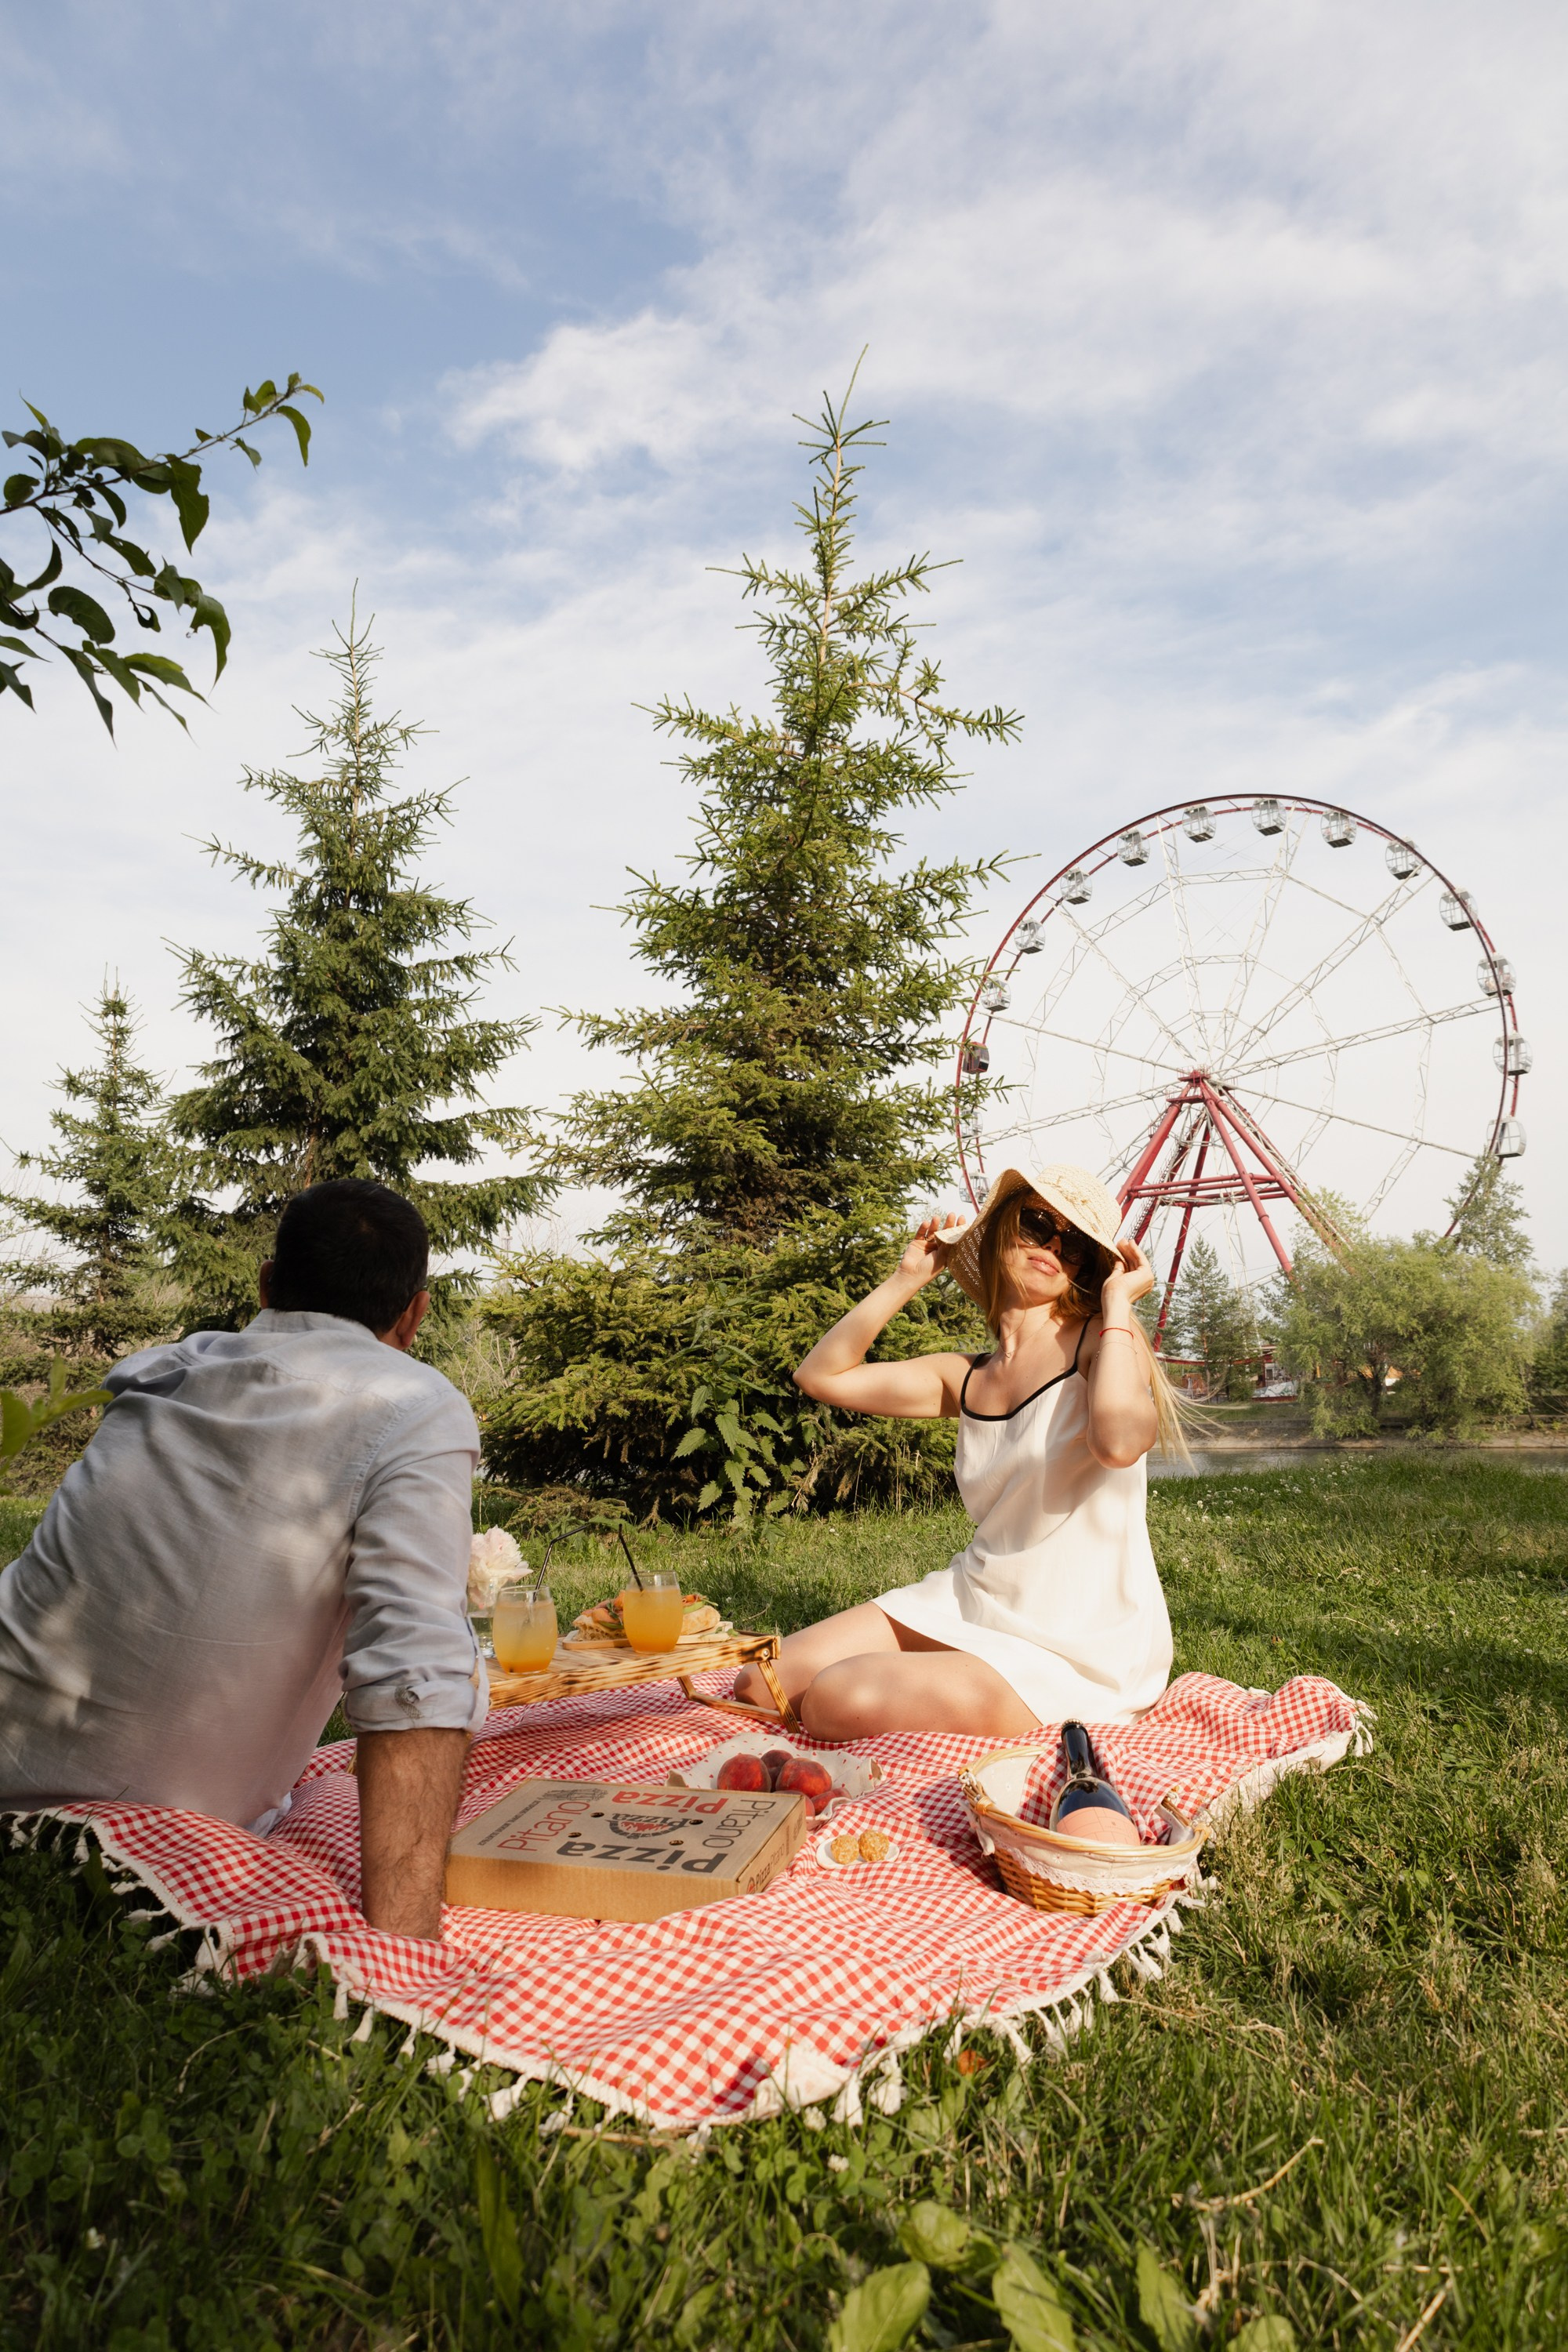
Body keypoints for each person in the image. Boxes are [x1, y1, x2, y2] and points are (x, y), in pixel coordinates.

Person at [0, 1179, 484, 1941]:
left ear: (265, 1284)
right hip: (137, 1860)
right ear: (414, 1314)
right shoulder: (414, 1404)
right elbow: (416, 1675)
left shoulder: (158, 1375)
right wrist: (406, 1953)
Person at [733, 1162, 1189, 1741]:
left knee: (835, 1698)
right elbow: (821, 1375)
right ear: (1002, 1227)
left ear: (1087, 1269)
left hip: (1073, 1637)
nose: (1052, 1244)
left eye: (1074, 1244)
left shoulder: (1100, 1347)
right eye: (1037, 1223)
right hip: (973, 1596)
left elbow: (1120, 1442)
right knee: (759, 1681)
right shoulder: (963, 1377)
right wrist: (907, 1279)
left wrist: (1119, 1304)